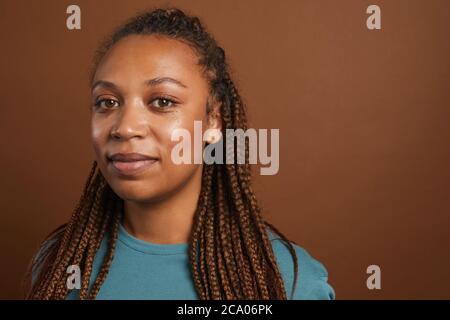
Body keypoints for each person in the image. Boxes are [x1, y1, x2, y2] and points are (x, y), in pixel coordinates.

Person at [25, 7, 335, 300]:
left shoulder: (287, 282)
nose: (125, 127)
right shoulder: (59, 263)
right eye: (107, 102)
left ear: (214, 120)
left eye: (162, 101)